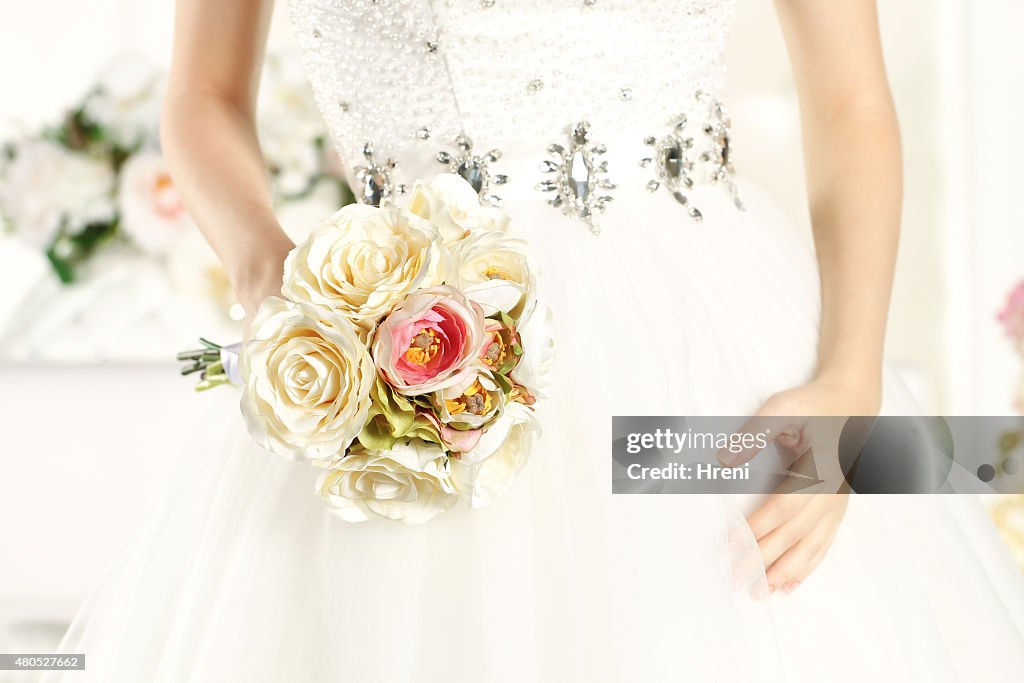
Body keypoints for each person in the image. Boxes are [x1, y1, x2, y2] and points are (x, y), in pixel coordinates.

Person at [47, 1, 1024, 681]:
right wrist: (274, 280)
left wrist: (848, 378)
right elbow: (201, 96)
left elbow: (851, 100)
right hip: (388, 346)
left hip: (697, 336)